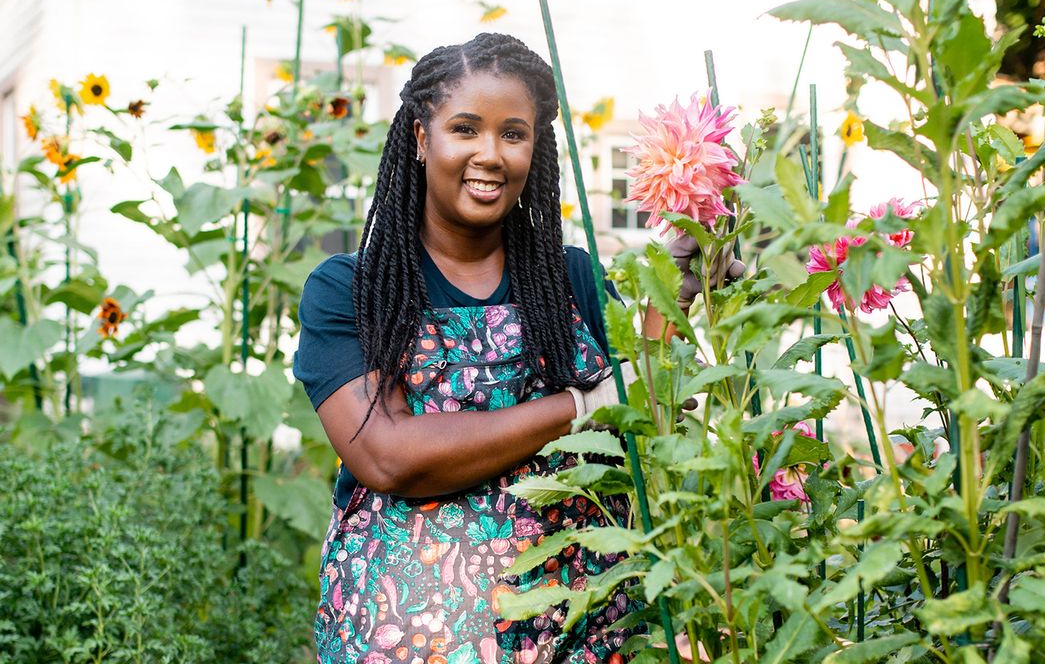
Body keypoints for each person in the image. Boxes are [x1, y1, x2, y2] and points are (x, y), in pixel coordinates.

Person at [295, 32, 737, 664]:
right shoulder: (354, 290)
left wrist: (680, 291)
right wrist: (580, 408)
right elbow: (386, 456)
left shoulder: (573, 280)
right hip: (403, 640)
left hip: (580, 635)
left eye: (513, 133)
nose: (490, 155)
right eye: (466, 129)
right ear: (422, 140)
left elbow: (648, 401)